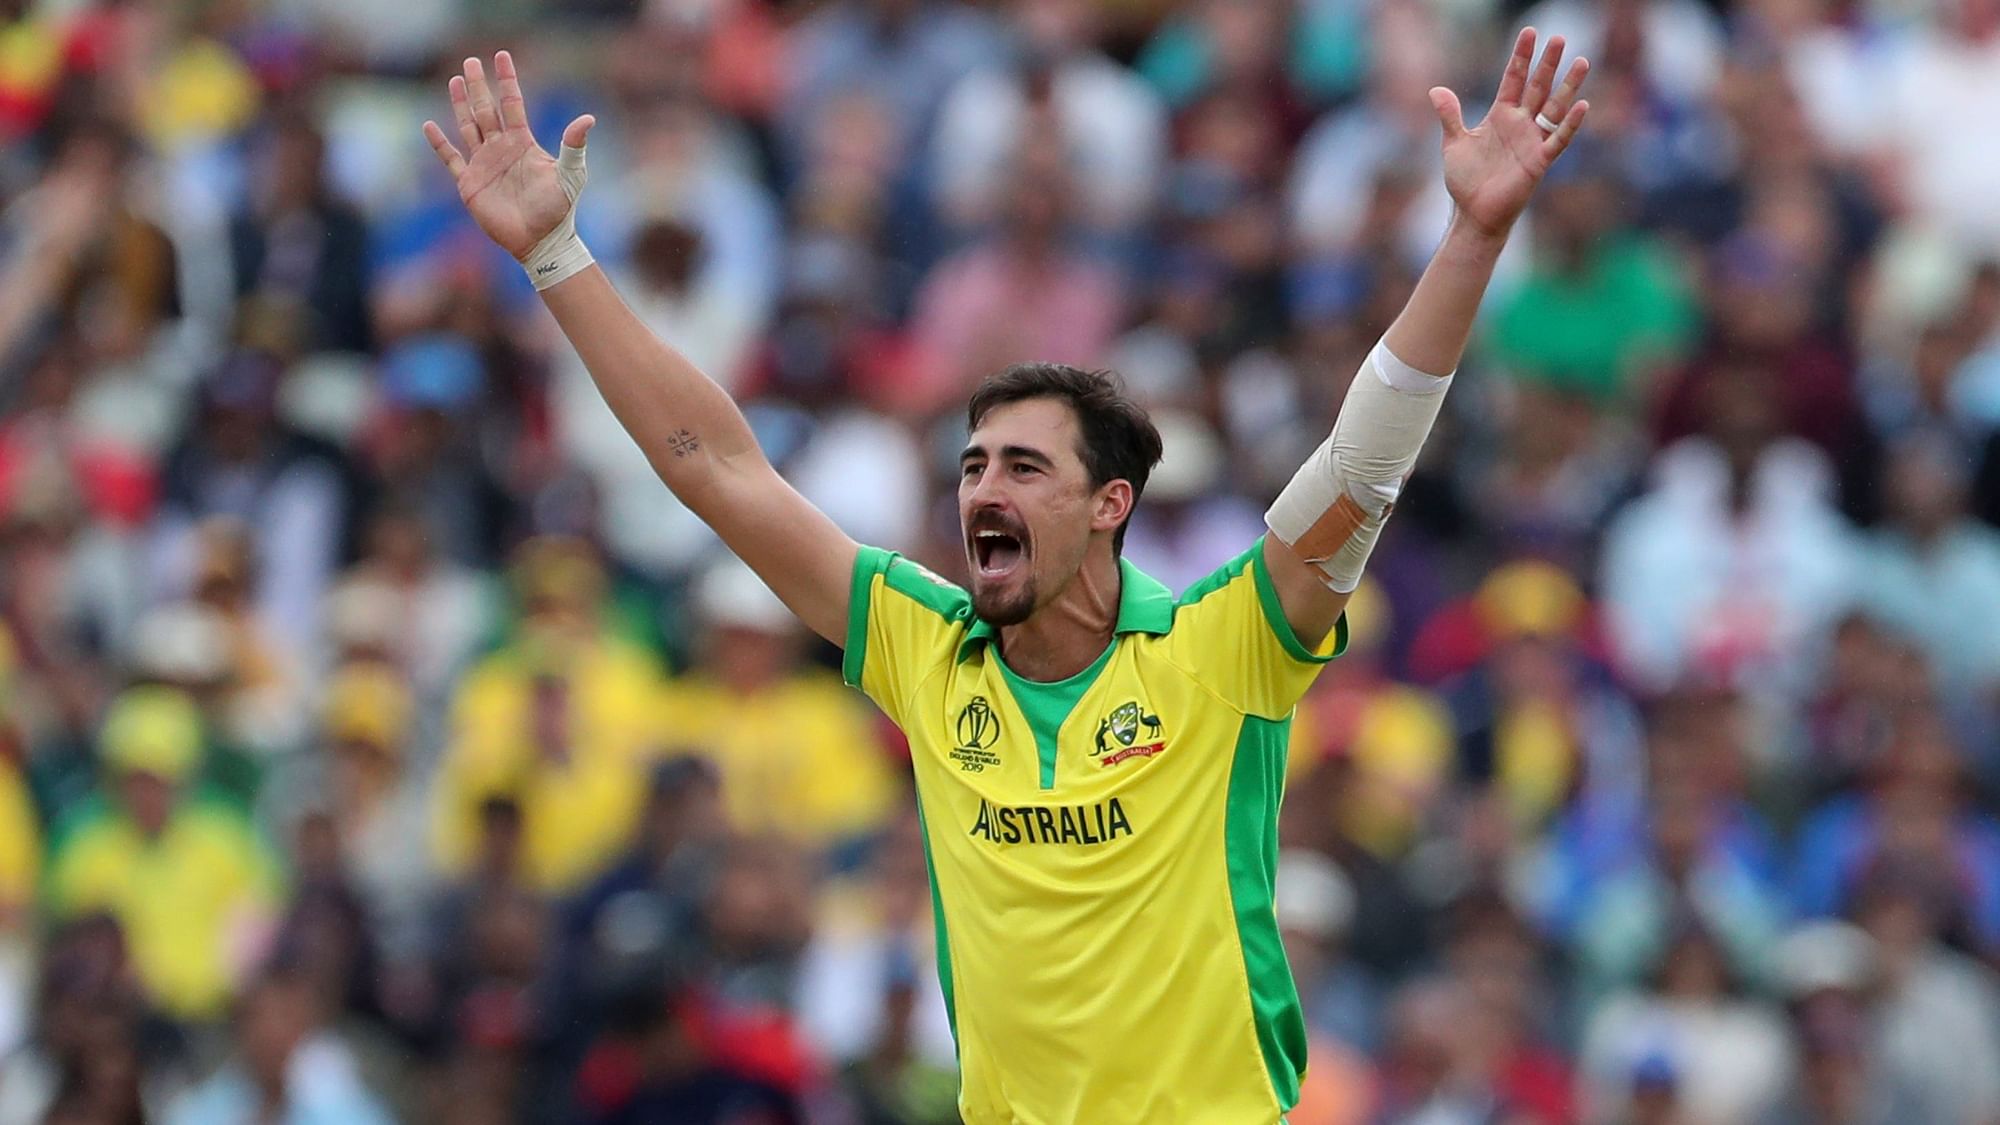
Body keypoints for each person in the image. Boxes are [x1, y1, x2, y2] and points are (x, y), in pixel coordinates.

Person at [419, 30, 1591, 1122]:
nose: (980, 489)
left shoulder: (1218, 650)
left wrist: (1473, 234)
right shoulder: (926, 650)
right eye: (971, 464)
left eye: (1023, 467)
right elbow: (721, 471)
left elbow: (1362, 463)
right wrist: (556, 254)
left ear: (1108, 506)